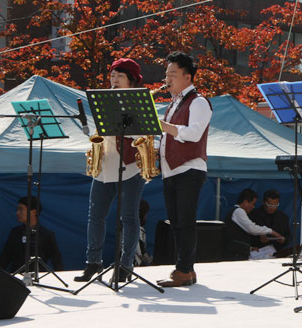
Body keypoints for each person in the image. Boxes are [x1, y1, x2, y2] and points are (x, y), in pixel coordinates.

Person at [75, 58, 147, 283]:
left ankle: (125, 264)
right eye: (112, 75)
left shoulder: (139, 102)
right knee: (95, 216)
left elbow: (143, 135)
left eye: (120, 76)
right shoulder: (104, 100)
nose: (114, 80)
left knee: (129, 217)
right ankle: (93, 262)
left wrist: (125, 123)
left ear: (131, 80)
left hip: (130, 167)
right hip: (105, 165)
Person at [157, 51, 212, 288]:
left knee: (185, 222)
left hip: (189, 168)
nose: (167, 79)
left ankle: (183, 270)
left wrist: (162, 125)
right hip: (171, 170)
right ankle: (186, 270)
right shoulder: (174, 104)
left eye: (173, 74)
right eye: (166, 74)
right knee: (177, 222)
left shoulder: (198, 101)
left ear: (187, 77)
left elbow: (193, 134)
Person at [0, 197, 63, 273]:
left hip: (39, 277)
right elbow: (4, 259)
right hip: (17, 277)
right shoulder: (15, 232)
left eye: (21, 209)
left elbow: (57, 263)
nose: (17, 213)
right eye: (17, 209)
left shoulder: (47, 235)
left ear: (33, 212)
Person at [223, 189, 284, 260]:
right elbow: (252, 228)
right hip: (234, 254)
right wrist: (271, 231)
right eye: (253, 204)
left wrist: (250, 248)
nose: (253, 207)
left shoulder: (237, 212)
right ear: (245, 202)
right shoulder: (238, 211)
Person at [249, 189, 291, 257]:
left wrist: (283, 240)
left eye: (275, 205)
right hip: (258, 253)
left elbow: (288, 236)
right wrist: (258, 239)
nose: (272, 208)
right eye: (270, 205)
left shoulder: (283, 217)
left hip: (277, 253)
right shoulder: (253, 215)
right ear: (264, 202)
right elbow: (246, 235)